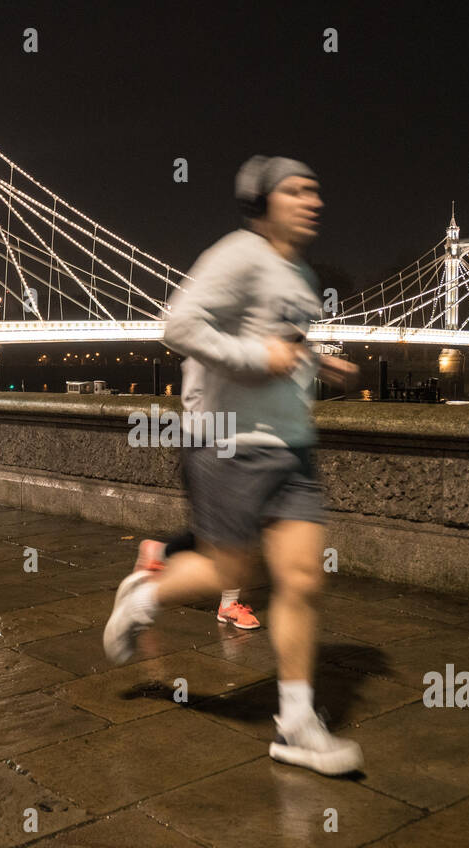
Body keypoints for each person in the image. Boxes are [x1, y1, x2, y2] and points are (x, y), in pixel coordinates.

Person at [103, 154, 363, 776]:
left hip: (292, 446)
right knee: (230, 570)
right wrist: (254, 357)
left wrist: (316, 362)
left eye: (316, 190)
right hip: (228, 441)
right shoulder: (238, 255)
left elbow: (284, 342)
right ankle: (147, 592)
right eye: (297, 191)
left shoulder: (299, 271)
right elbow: (179, 324)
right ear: (264, 202)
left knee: (302, 580)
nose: (313, 201)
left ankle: (297, 726)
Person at [133, 356, 261, 630]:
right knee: (230, 531)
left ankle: (162, 552)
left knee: (227, 530)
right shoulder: (213, 341)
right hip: (212, 443)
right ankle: (224, 603)